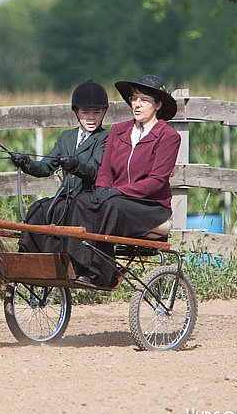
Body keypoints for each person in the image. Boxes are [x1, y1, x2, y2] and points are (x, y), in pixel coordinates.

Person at [67, 74, 181, 288]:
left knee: (111, 205)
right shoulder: (119, 131)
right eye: (134, 99)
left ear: (157, 105)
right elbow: (106, 170)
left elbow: (156, 181)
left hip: (149, 205)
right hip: (118, 200)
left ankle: (102, 272)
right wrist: (102, 189)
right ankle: (77, 264)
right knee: (82, 200)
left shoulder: (168, 136)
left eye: (144, 100)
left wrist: (119, 192)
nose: (137, 105)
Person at [11, 79, 109, 253]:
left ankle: (55, 261)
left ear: (104, 113)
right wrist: (27, 163)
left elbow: (94, 169)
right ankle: (28, 256)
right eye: (86, 113)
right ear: (76, 113)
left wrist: (77, 165)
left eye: (96, 112)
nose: (91, 118)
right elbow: (46, 166)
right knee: (38, 208)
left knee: (61, 212)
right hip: (64, 197)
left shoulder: (104, 138)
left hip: (88, 198)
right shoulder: (66, 138)